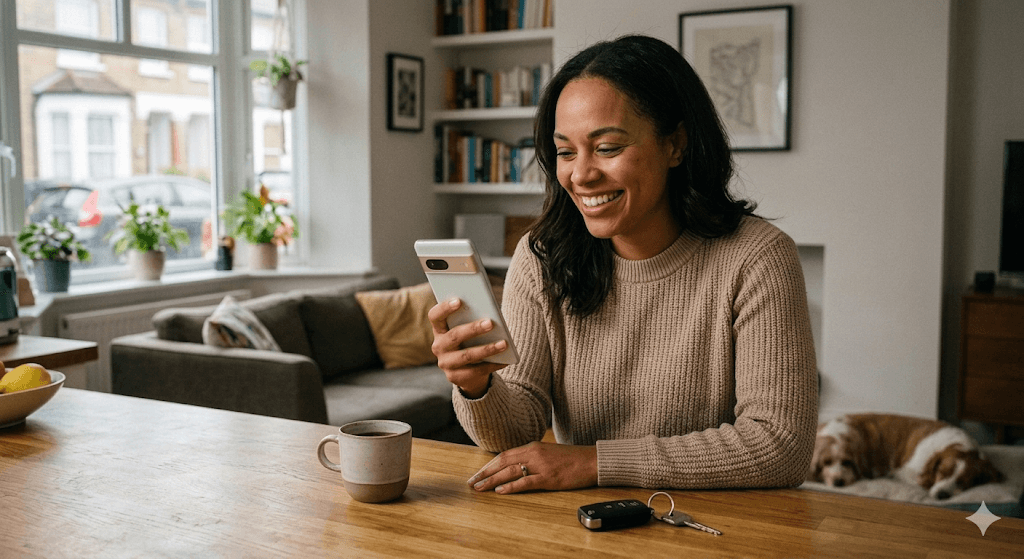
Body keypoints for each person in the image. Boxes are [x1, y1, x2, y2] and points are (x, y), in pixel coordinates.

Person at [428, 34, 817, 495]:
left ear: (675, 145)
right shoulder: (542, 256)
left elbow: (780, 444)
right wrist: (478, 388)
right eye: (566, 152)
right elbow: (515, 435)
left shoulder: (757, 256)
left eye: (607, 147)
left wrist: (594, 463)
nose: (581, 174)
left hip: (715, 525)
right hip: (586, 523)